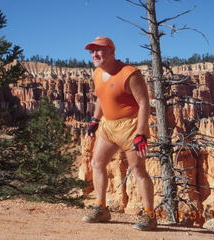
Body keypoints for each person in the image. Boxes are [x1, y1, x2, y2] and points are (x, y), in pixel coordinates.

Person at [82, 36, 156, 231]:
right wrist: (95, 120)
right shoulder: (97, 73)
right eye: (92, 51)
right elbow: (100, 97)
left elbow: (144, 104)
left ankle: (149, 215)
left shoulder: (130, 74)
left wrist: (141, 133)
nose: (95, 54)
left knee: (138, 169)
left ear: (112, 51)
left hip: (130, 127)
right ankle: (101, 208)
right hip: (108, 126)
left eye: (99, 50)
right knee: (97, 163)